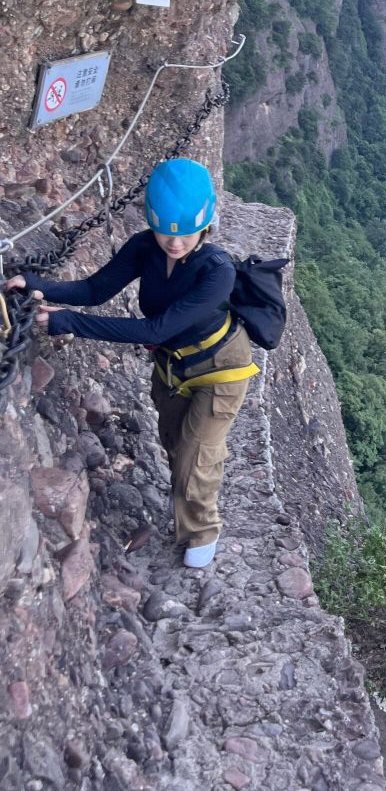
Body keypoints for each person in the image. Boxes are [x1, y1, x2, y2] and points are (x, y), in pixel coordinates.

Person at [2, 159, 258, 568]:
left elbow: (154, 330)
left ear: (205, 224)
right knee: (176, 443)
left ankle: (202, 530)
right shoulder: (144, 247)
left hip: (221, 369)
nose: (175, 244)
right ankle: (191, 495)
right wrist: (37, 286)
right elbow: (95, 288)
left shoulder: (217, 271)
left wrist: (67, 321)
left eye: (186, 234)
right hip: (172, 369)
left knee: (195, 453)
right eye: (166, 233)